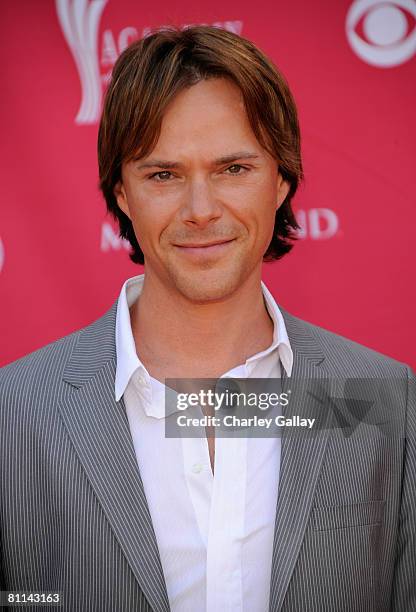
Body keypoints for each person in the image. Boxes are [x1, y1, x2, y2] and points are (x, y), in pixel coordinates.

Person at [0, 25, 414, 612]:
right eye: (163, 175)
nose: (200, 210)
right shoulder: (10, 413)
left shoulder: (387, 399)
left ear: (283, 179)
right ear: (121, 192)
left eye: (234, 169)